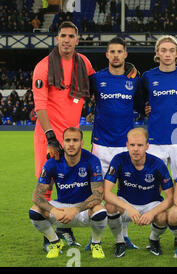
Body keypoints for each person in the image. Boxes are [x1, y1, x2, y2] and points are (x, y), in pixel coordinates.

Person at [32, 21, 95, 250]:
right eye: (62, 36)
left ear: (77, 40)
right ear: (57, 38)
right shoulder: (44, 66)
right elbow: (40, 105)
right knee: (46, 185)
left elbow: (97, 85)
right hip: (48, 135)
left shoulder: (84, 63)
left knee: (70, 184)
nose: (66, 40)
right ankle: (49, 238)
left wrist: (124, 69)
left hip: (72, 135)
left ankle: (64, 230)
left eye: (71, 36)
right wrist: (50, 137)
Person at [89, 36, 140, 249]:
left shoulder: (136, 79)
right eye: (112, 51)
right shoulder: (96, 78)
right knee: (97, 194)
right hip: (101, 144)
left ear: (125, 54)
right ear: (107, 55)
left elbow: (143, 102)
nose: (116, 55)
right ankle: (95, 240)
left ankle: (124, 237)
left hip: (125, 146)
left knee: (124, 194)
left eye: (120, 51)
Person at [28, 127, 107, 259]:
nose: (71, 144)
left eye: (75, 140)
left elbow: (98, 196)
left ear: (81, 143)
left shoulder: (92, 160)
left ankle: (95, 243)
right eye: (68, 140)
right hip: (61, 208)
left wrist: (75, 210)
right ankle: (54, 242)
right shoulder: (52, 163)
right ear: (62, 143)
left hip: (83, 209)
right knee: (35, 210)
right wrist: (54, 210)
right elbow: (36, 196)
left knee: (100, 210)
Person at [103, 128, 174, 257]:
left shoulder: (158, 164)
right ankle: (120, 241)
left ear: (147, 146)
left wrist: (152, 212)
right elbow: (106, 193)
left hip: (151, 204)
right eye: (132, 145)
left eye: (140, 145)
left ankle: (154, 240)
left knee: (163, 216)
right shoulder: (118, 160)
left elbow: (171, 198)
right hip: (126, 204)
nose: (135, 149)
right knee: (109, 205)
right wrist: (128, 208)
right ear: (127, 145)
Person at [135, 35, 177, 183]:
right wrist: (144, 109)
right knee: (154, 183)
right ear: (157, 53)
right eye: (164, 50)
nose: (167, 54)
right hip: (156, 138)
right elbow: (137, 100)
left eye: (172, 50)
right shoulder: (148, 76)